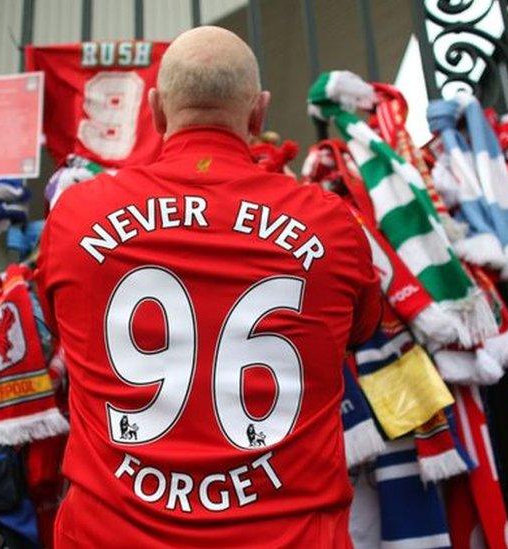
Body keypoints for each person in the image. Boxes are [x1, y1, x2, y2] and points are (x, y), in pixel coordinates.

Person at [37, 26, 382, 548]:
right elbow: (363, 328)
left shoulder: (74, 218)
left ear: (153, 109)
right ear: (259, 113)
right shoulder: (334, 226)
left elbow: (60, 319)